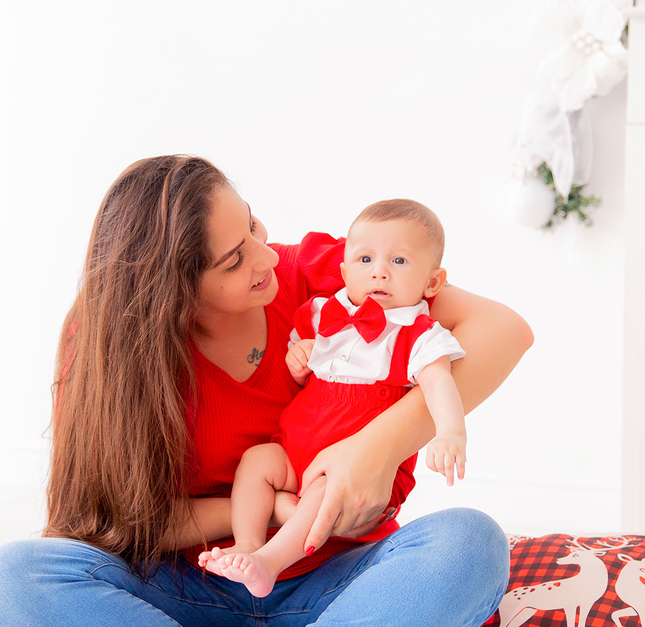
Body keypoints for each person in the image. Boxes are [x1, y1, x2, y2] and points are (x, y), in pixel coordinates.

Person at [0, 155, 532, 627]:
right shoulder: (103, 347)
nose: (266, 256)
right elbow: (113, 525)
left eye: (253, 227)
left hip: (340, 604)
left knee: (469, 544)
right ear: (171, 289)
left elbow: (503, 330)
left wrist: (373, 449)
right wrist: (274, 512)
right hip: (189, 605)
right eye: (234, 260)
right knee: (8, 582)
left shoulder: (321, 272)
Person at [200, 198, 468, 598]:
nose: (379, 271)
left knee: (326, 490)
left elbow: (440, 382)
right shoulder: (324, 314)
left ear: (432, 283)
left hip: (350, 466)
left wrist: (450, 432)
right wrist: (299, 360)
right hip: (296, 447)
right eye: (365, 260)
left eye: (398, 261)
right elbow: (304, 363)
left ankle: (269, 563)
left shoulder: (418, 334)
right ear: (343, 272)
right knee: (257, 460)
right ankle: (248, 543)